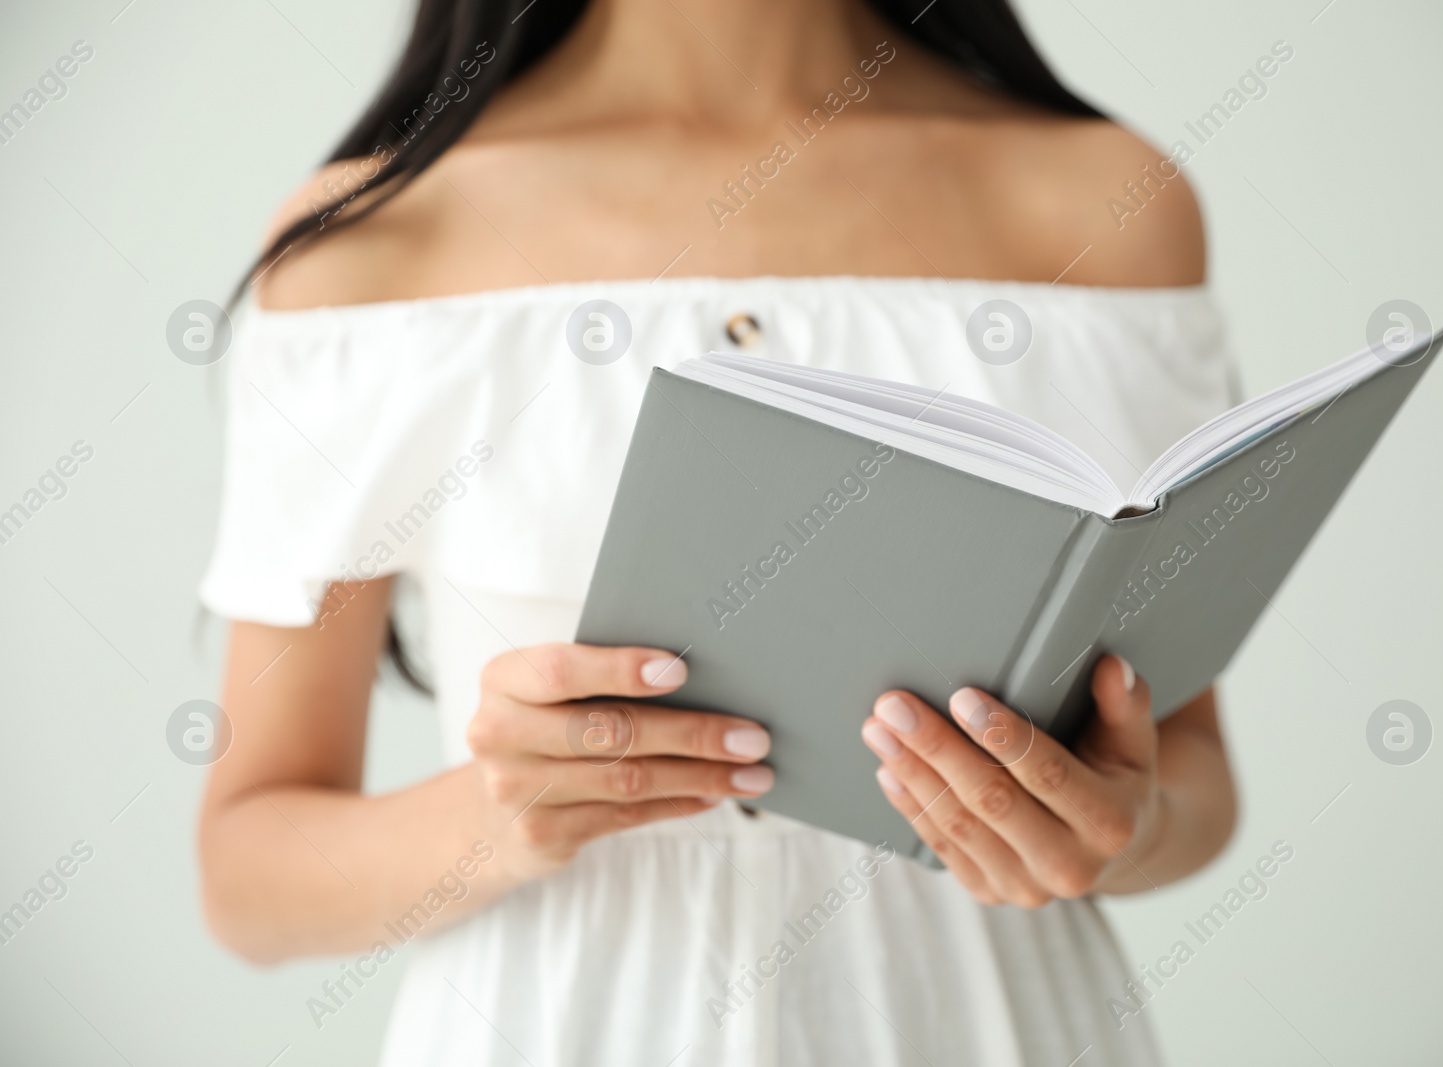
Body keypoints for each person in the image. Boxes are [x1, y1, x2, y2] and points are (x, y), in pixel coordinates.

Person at [197, 0, 1237, 1062]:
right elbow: (247, 873)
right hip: (559, 1024)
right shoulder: (377, 238)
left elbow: (1192, 774)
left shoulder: (1107, 202)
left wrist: (1109, 829)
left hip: (986, 1022)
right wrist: (496, 816)